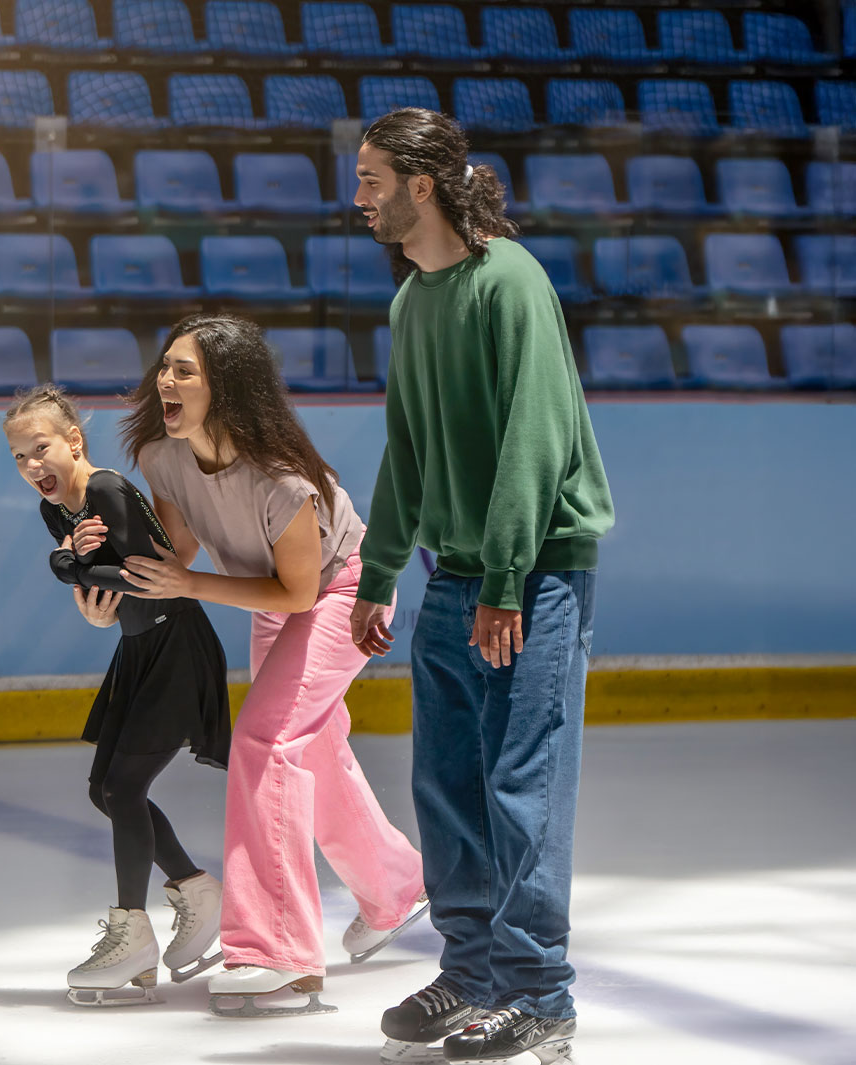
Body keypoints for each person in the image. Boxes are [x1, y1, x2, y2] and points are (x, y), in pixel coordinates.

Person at [348, 108, 615, 1065]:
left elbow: (532, 444)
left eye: (372, 177)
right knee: (448, 786)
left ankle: (539, 993)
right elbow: (407, 451)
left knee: (521, 785)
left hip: (530, 579)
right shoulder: (412, 299)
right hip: (455, 576)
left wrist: (506, 577)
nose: (359, 195)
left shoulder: (511, 283)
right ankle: (472, 970)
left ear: (423, 185)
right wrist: (379, 571)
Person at [85, 313, 426, 1017]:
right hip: (273, 595)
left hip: (343, 592)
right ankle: (396, 887)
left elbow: (300, 589)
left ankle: (276, 951)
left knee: (266, 742)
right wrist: (105, 580)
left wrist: (193, 586)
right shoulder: (161, 454)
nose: (166, 380)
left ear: (228, 389)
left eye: (186, 371)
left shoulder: (281, 477)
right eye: (166, 366)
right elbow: (171, 556)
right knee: (312, 750)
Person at [3, 385, 231, 1005]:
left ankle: (132, 933)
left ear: (74, 440)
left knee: (124, 789)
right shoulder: (59, 510)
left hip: (177, 644)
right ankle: (194, 887)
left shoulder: (104, 490)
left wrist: (65, 567)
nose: (32, 467)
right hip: (138, 650)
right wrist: (76, 574)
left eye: (41, 449)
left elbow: (141, 577)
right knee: (104, 790)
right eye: (19, 458)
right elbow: (96, 584)